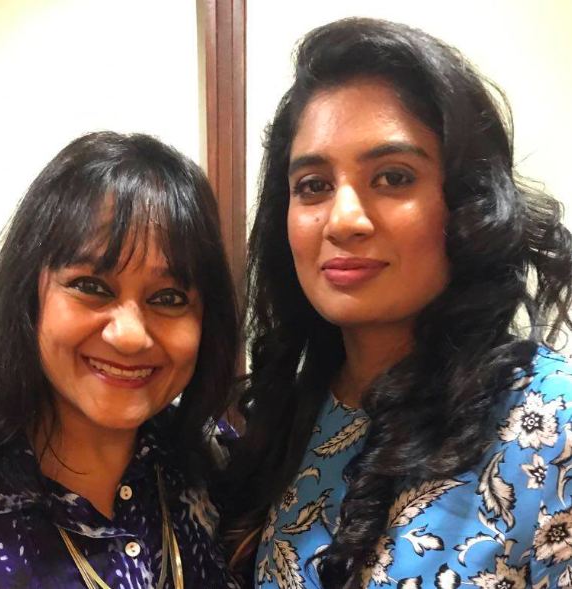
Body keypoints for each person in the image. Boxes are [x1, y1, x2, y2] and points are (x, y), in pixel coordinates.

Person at [219, 17, 572, 589]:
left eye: (392, 177)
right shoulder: (289, 414)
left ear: (468, 202)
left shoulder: (552, 423)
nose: (343, 220)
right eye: (313, 185)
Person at [0, 131, 240, 589]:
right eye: (91, 287)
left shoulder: (220, 463)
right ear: (29, 294)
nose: (129, 336)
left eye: (168, 298)